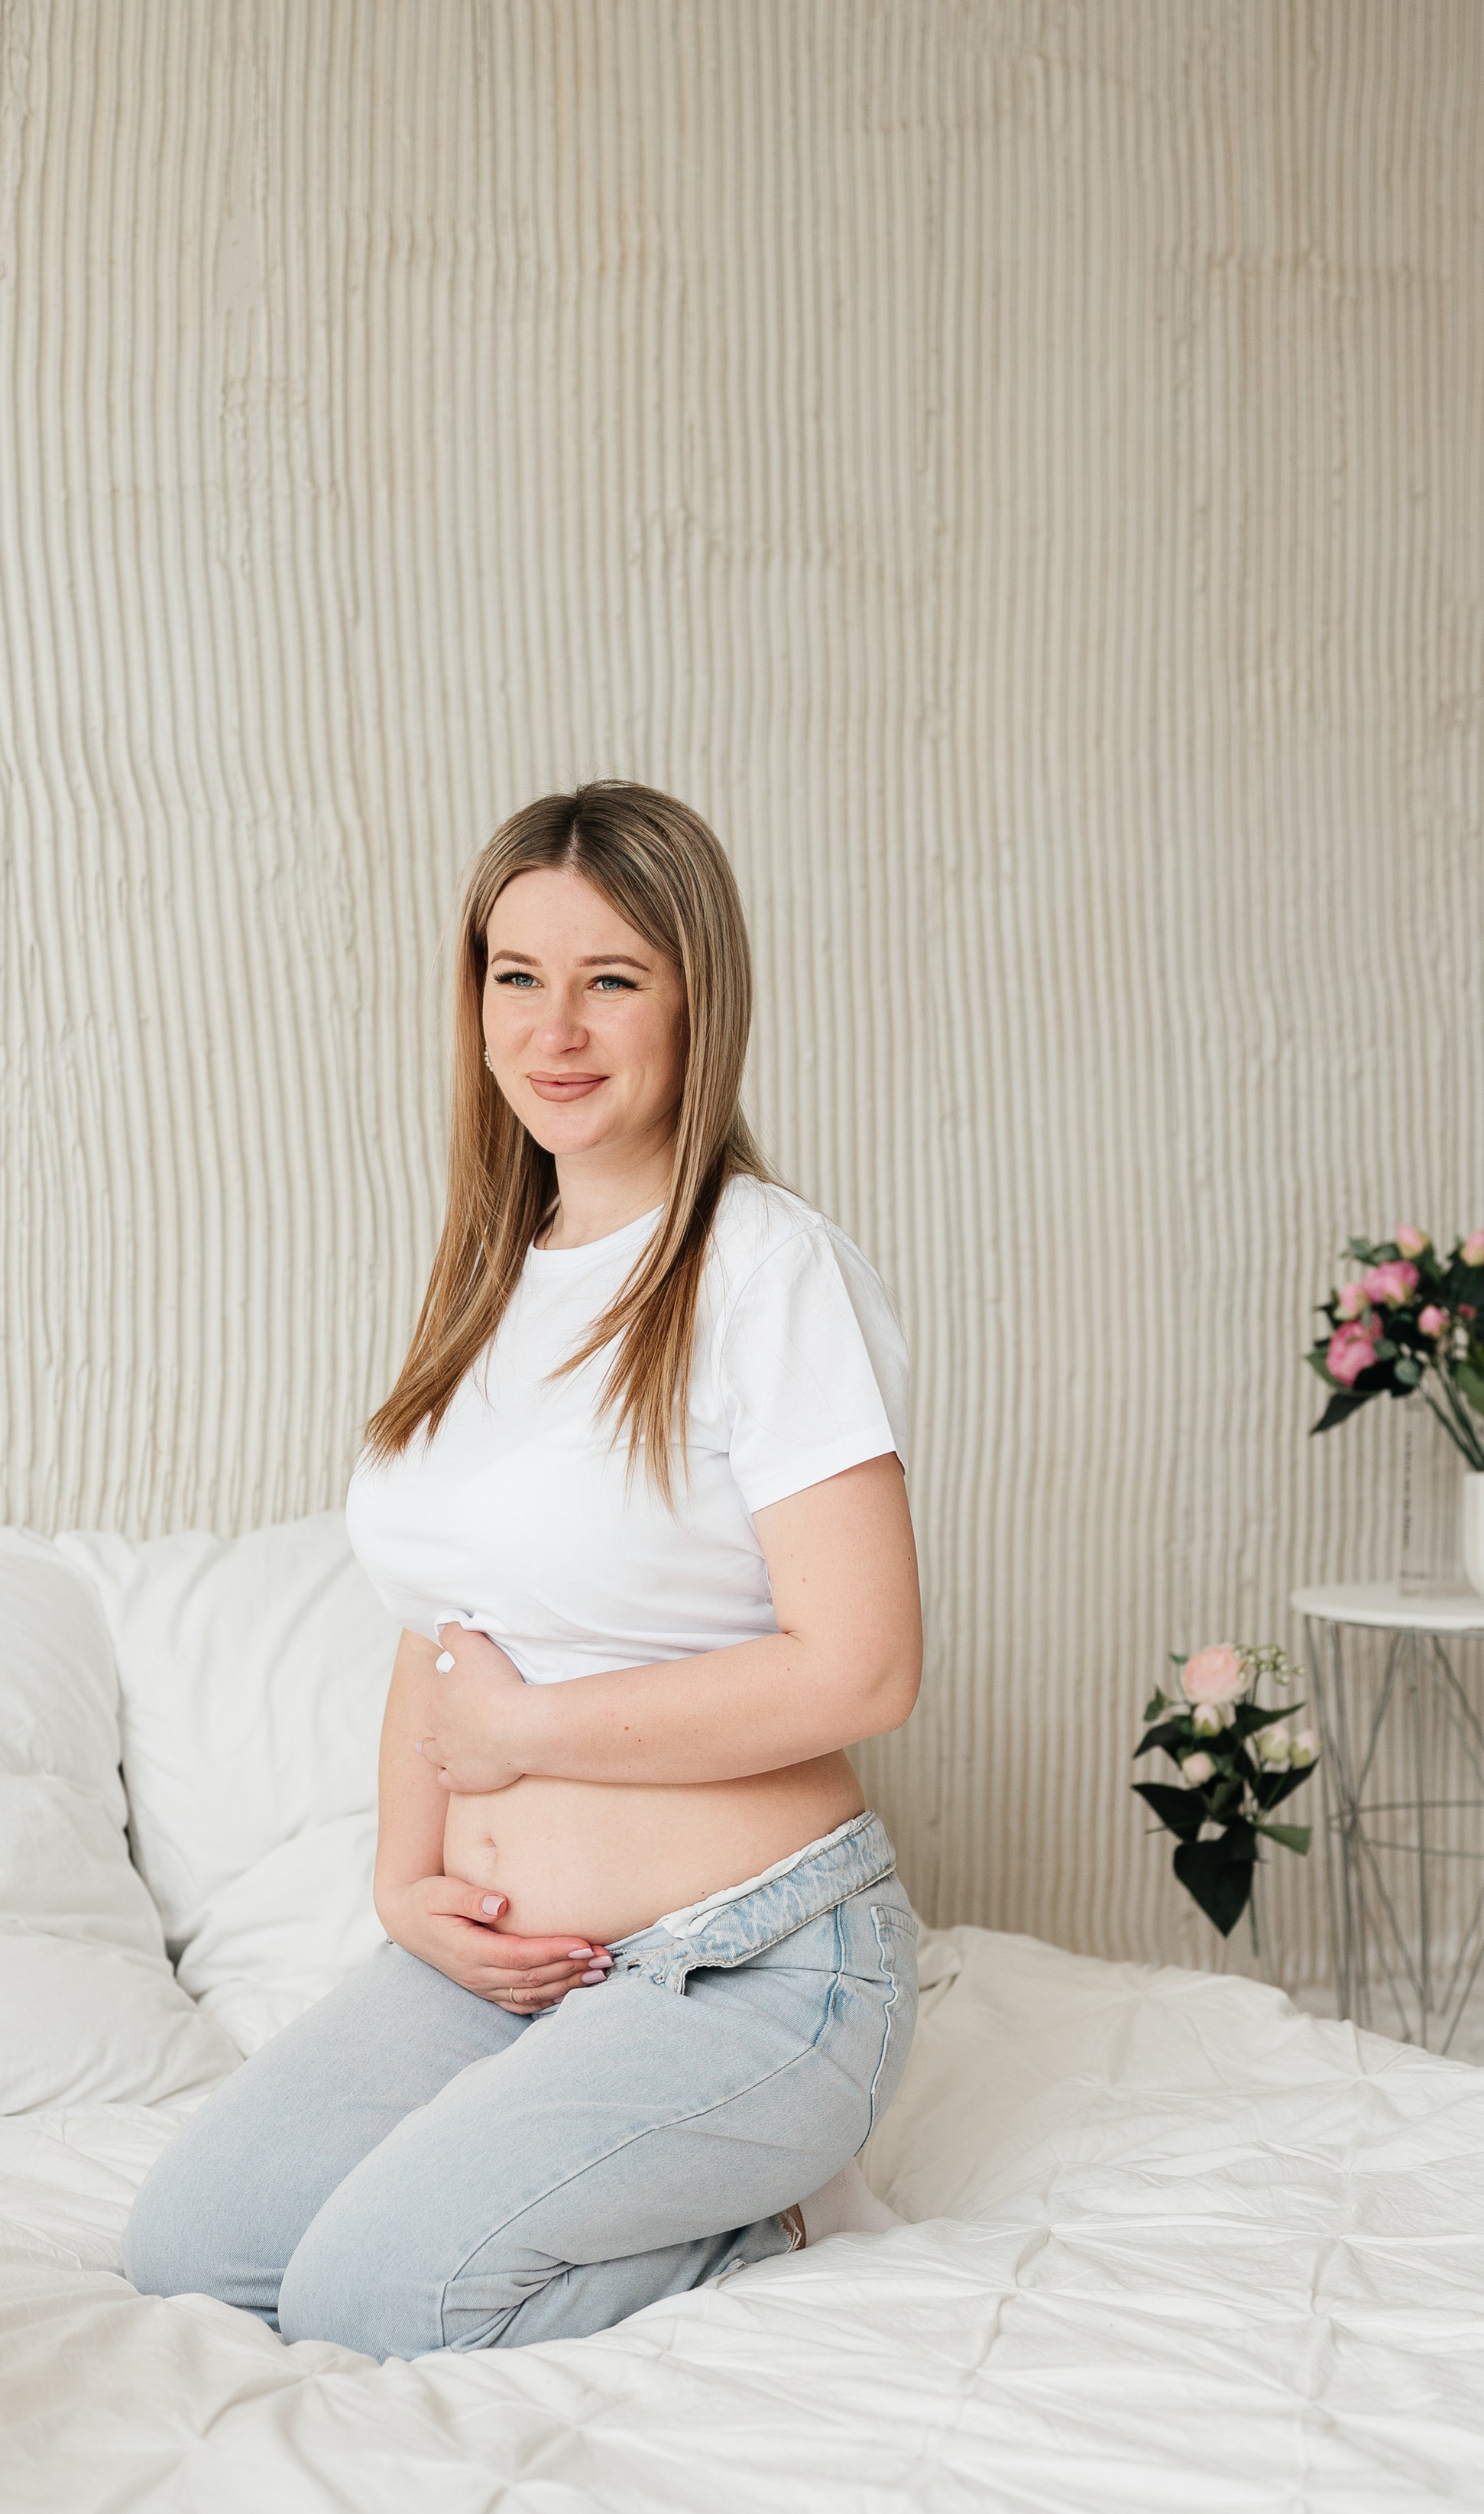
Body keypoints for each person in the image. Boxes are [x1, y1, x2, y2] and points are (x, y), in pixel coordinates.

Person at [124, 780, 923, 2359]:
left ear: (697, 1004)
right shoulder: (491, 1284)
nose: (553, 1028)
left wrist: (527, 1742)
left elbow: (861, 1669)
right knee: (193, 2252)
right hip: (514, 1972)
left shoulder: (760, 1267)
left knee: (376, 2294)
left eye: (610, 979)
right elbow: (441, 1631)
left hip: (753, 1965)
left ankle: (767, 2214)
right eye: (515, 976)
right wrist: (403, 1879)